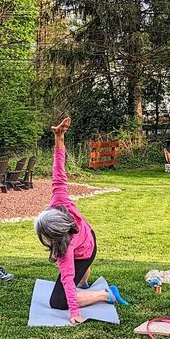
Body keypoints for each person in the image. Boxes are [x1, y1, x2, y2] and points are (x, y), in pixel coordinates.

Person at [34, 117, 127, 324]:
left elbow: (67, 279)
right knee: (78, 279)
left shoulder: (64, 248)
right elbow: (59, 172)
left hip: (83, 253)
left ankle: (106, 294)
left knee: (58, 301)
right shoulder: (60, 201)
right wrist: (59, 138)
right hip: (89, 239)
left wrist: (75, 313)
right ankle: (84, 282)